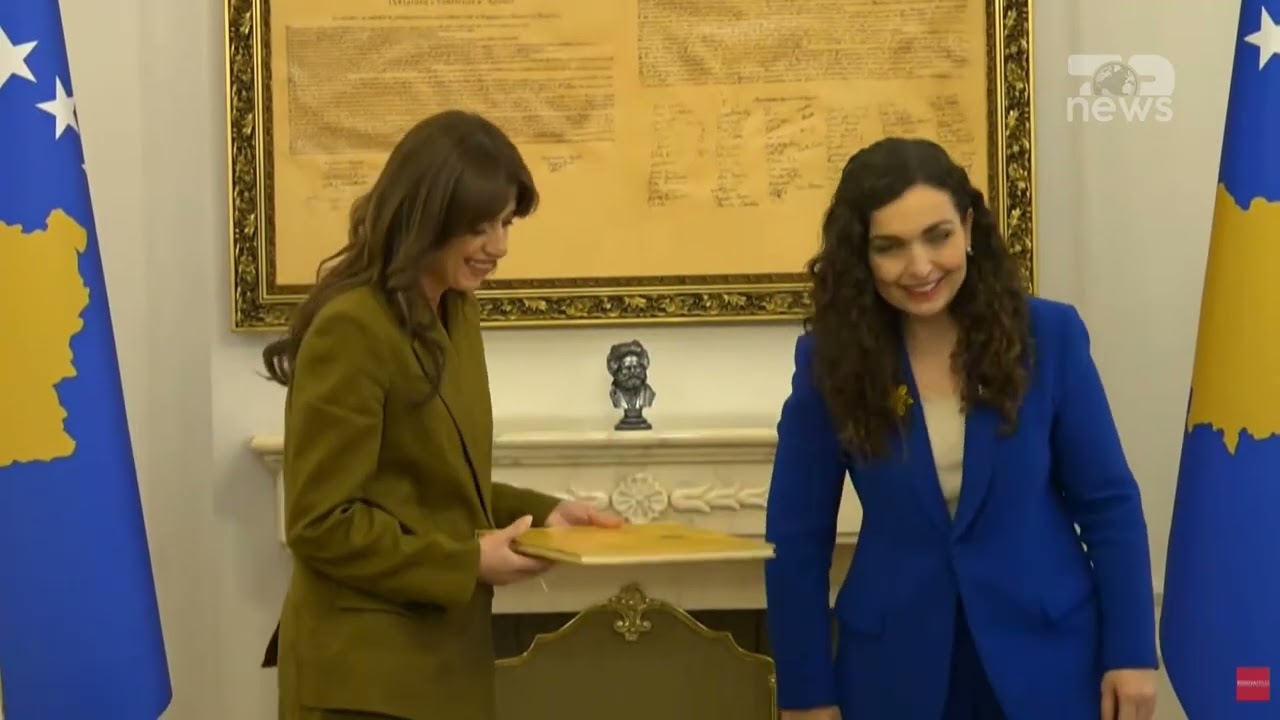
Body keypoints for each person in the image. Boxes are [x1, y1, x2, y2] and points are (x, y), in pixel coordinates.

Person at [763, 138, 1159, 720]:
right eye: (890, 247)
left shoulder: (1047, 337)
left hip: (1048, 656)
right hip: (896, 668)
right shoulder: (829, 362)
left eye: (938, 236)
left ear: (968, 228)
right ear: (861, 256)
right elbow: (795, 540)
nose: (920, 267)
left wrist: (1132, 652)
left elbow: (1109, 504)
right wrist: (806, 695)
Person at [258, 109, 622, 720]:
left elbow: (435, 481)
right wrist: (469, 560)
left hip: (441, 667)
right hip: (363, 683)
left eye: (505, 223)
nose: (499, 246)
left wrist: (541, 516)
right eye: (481, 227)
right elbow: (320, 522)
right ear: (426, 218)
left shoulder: (456, 310)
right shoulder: (352, 327)